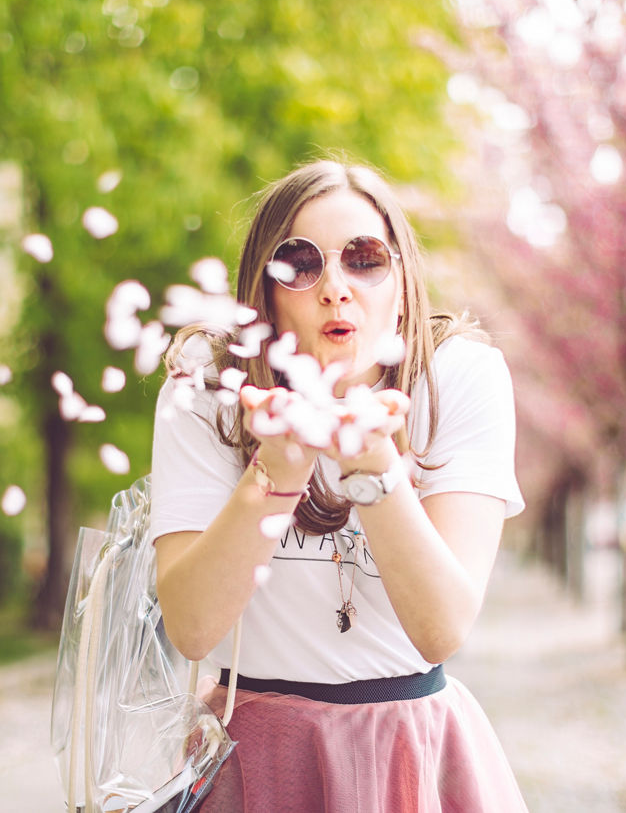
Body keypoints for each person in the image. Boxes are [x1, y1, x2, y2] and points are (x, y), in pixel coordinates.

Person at [150, 159, 528, 812]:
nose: (334, 287)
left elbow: (441, 628)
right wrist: (278, 469)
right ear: (264, 296)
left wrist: (373, 465)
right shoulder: (209, 387)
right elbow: (191, 628)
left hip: (409, 747)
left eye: (364, 258)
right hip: (255, 756)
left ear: (403, 284)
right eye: (298, 263)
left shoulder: (459, 377)